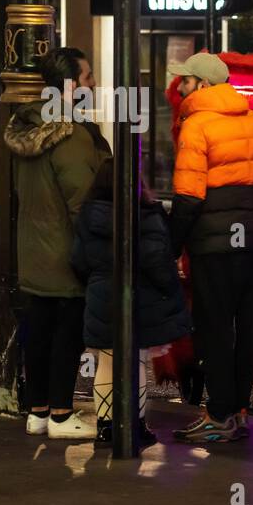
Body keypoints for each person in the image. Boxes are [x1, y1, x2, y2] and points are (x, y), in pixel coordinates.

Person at [168, 52, 253, 444]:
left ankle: (218, 413)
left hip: (213, 242)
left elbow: (188, 197)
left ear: (203, 86)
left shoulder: (196, 125)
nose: (180, 86)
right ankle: (238, 410)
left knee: (214, 326)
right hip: (252, 239)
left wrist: (172, 244)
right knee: (243, 324)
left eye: (185, 80)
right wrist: (249, 207)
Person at [3, 47, 108, 440]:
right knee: (68, 334)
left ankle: (39, 412)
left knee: (40, 331)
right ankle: (63, 415)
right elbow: (84, 202)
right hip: (67, 253)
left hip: (33, 251)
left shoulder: (26, 127)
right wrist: (97, 252)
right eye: (88, 77)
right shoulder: (73, 135)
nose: (93, 83)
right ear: (70, 85)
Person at [72, 162, 190, 445]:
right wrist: (170, 286)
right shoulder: (147, 214)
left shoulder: (88, 215)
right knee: (135, 361)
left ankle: (106, 427)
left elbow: (78, 259)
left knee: (107, 360)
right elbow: (157, 260)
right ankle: (136, 426)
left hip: (101, 294)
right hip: (139, 298)